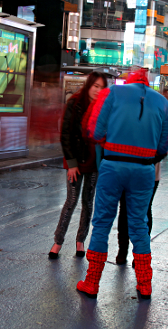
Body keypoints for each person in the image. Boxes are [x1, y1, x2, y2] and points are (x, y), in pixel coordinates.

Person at [76, 69, 168, 299]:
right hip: (144, 170)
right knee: (139, 224)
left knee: (102, 222)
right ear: (147, 83)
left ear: (128, 80)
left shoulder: (112, 93)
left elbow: (95, 130)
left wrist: (112, 142)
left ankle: (91, 282)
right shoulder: (162, 103)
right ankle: (145, 283)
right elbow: (164, 146)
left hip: (113, 165)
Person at [48, 71, 107, 259]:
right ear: (89, 85)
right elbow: (66, 134)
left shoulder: (104, 107)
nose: (98, 90)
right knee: (71, 201)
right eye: (95, 86)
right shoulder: (75, 102)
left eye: (101, 87)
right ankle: (58, 241)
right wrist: (71, 164)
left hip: (94, 161)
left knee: (88, 203)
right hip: (75, 160)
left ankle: (80, 241)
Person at [115, 161, 160, 265]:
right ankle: (123, 249)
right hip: (126, 171)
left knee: (145, 210)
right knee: (125, 209)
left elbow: (162, 147)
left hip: (148, 170)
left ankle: (141, 253)